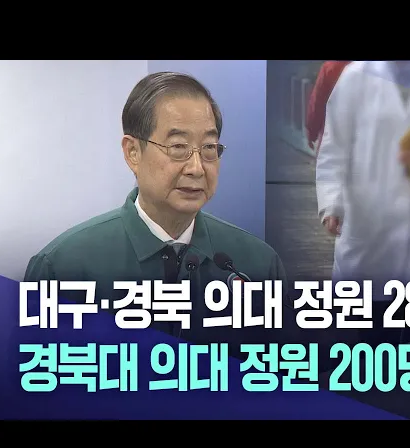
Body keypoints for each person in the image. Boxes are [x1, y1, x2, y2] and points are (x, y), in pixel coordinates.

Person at [24, 72, 289, 346]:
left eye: (209, 147)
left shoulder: (257, 264)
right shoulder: (62, 267)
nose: (197, 168)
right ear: (133, 152)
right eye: (178, 147)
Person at [315, 61, 410, 345]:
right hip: (369, 221)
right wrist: (332, 203)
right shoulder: (355, 77)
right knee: (371, 330)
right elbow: (334, 147)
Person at [305, 61, 351, 154]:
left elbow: (317, 104)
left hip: (331, 139)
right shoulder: (371, 69)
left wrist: (312, 132)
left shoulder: (330, 67)